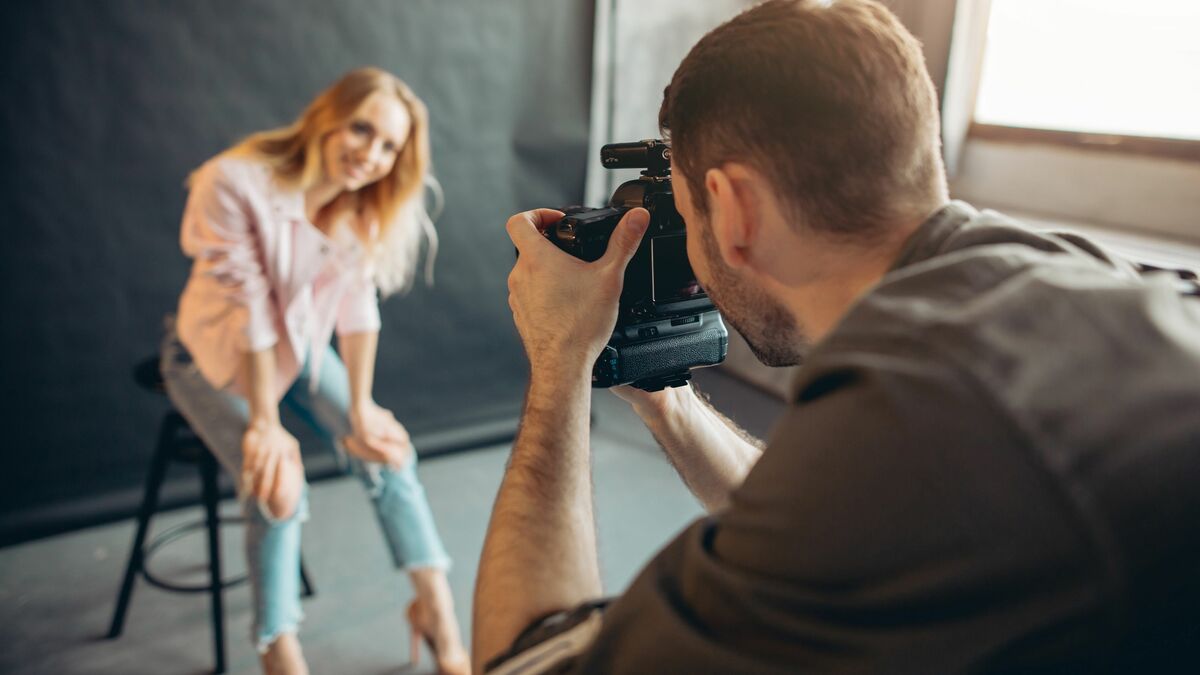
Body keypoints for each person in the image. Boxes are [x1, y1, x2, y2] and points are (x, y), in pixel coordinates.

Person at [474, 0, 1200, 672]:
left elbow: (530, 662)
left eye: (687, 215)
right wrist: (665, 398)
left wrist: (561, 360)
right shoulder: (1059, 280)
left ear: (732, 209)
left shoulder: (920, 404)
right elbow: (825, 521)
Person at [162, 67, 469, 675]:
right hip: (215, 354)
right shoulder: (234, 181)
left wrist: (360, 408)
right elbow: (249, 309)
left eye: (390, 147)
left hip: (297, 350)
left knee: (387, 448)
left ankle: (436, 612)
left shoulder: (363, 205)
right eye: (363, 129)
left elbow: (357, 308)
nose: (372, 155)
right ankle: (280, 649)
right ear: (327, 115)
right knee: (279, 485)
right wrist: (267, 425)